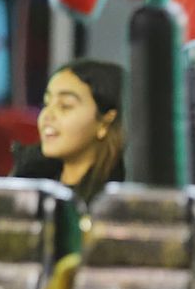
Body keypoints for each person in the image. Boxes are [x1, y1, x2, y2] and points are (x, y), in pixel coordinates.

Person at [12, 59, 127, 204]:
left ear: (105, 122)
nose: (47, 115)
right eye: (46, 103)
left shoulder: (118, 200)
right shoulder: (26, 183)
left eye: (65, 105)